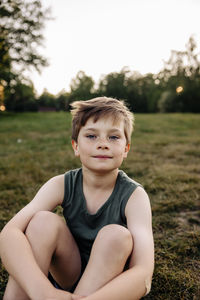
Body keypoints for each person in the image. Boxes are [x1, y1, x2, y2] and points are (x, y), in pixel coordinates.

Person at [0, 97, 154, 300]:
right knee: (42, 221)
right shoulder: (62, 184)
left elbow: (143, 273)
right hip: (68, 272)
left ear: (126, 149)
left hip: (108, 283)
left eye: (114, 137)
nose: (103, 144)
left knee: (116, 236)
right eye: (91, 136)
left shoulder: (135, 196)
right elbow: (9, 233)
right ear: (75, 146)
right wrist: (42, 292)